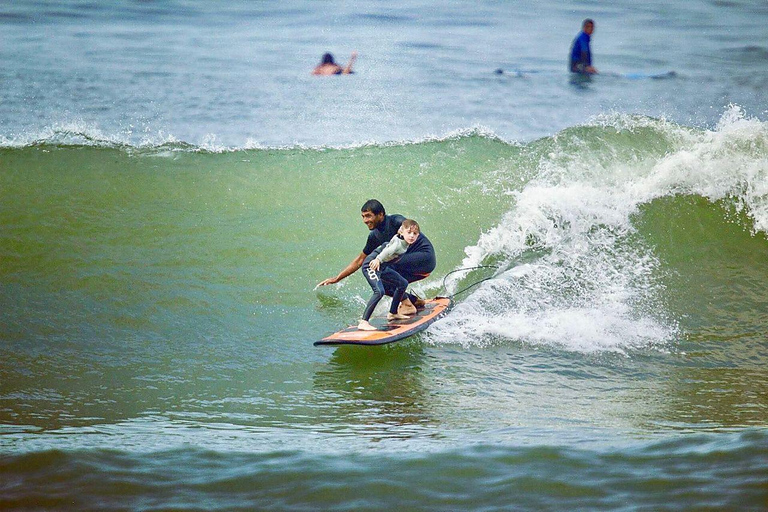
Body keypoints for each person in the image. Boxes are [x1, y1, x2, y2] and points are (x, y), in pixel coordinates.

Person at [316, 199, 434, 315]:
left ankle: (406, 305)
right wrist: (337, 278)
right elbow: (360, 260)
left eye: (368, 216)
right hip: (410, 268)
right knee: (378, 279)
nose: (365, 220)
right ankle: (414, 301)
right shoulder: (374, 236)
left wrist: (402, 232)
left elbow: (411, 228)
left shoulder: (396, 221)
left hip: (424, 258)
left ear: (381, 214)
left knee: (384, 266)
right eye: (363, 216)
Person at [358, 219, 421, 330]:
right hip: (372, 265)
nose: (411, 236)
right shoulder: (398, 245)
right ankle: (363, 322)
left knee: (402, 283)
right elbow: (388, 250)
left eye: (415, 234)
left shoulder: (403, 240)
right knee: (379, 292)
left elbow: (391, 242)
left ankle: (392, 313)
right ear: (402, 232)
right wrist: (378, 259)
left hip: (382, 267)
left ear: (418, 236)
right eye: (409, 233)